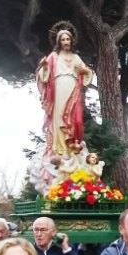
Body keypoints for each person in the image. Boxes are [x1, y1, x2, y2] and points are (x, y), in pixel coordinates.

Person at [37, 21, 93, 158]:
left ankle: (73, 147)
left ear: (71, 41)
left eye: (68, 39)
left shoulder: (76, 57)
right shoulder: (53, 56)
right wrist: (44, 67)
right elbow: (44, 77)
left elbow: (87, 73)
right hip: (58, 88)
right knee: (58, 116)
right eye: (63, 39)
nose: (66, 41)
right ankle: (60, 150)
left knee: (76, 119)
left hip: (73, 89)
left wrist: (85, 70)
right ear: (59, 42)